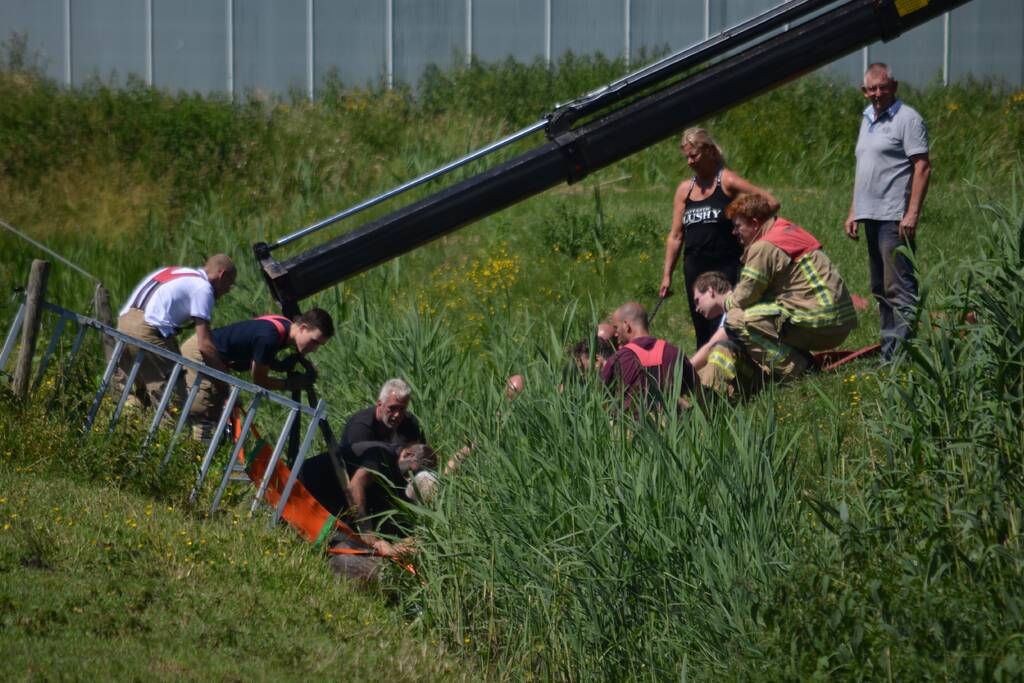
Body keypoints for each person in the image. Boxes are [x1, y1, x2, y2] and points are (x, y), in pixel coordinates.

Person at [700, 194, 857, 394]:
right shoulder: (785, 228)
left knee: (736, 319)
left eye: (738, 226)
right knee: (760, 315)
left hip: (818, 319)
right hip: (838, 319)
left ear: (755, 223)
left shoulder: (763, 246)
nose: (734, 232)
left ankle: (796, 371)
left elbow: (744, 297)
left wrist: (724, 301)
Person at [660, 128, 780, 348]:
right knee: (702, 326)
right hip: (694, 268)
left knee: (727, 323)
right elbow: (676, 236)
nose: (689, 161)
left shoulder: (726, 181)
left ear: (710, 152)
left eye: (694, 155)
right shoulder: (684, 190)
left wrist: (753, 235)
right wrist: (667, 275)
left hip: (725, 265)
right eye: (686, 156)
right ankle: (704, 376)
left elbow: (770, 202)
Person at [844, 63, 931, 361]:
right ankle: (888, 354)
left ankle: (903, 358)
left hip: (894, 216)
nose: (877, 93)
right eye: (872, 88)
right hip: (870, 215)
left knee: (900, 289)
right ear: (864, 91)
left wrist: (912, 214)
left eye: (883, 87)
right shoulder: (867, 118)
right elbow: (864, 168)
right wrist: (853, 211)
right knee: (880, 288)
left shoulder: (908, 119)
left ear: (894, 86)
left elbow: (922, 166)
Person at [179, 307, 334, 439]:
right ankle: (195, 461)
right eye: (314, 341)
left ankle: (197, 457)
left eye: (319, 345)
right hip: (201, 354)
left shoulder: (283, 325)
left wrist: (278, 365)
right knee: (203, 412)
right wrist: (289, 384)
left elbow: (253, 347)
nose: (314, 349)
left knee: (212, 414)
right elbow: (259, 381)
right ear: (303, 328)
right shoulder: (270, 337)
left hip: (212, 357)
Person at [114, 254, 236, 410]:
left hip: (123, 325)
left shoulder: (174, 272)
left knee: (134, 396)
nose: (227, 290)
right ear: (222, 275)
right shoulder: (203, 288)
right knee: (173, 401)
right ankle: (161, 433)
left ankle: (123, 428)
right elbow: (205, 346)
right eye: (229, 284)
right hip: (147, 331)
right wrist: (225, 384)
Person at [601, 301, 697, 412]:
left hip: (632, 427)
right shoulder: (674, 353)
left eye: (616, 328)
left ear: (627, 325)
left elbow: (600, 397)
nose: (615, 333)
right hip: (673, 425)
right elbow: (698, 392)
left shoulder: (618, 359)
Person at [340, 378, 425, 449]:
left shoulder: (409, 422)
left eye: (402, 409)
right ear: (380, 404)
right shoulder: (360, 427)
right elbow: (360, 466)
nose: (397, 414)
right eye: (392, 408)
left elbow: (415, 457)